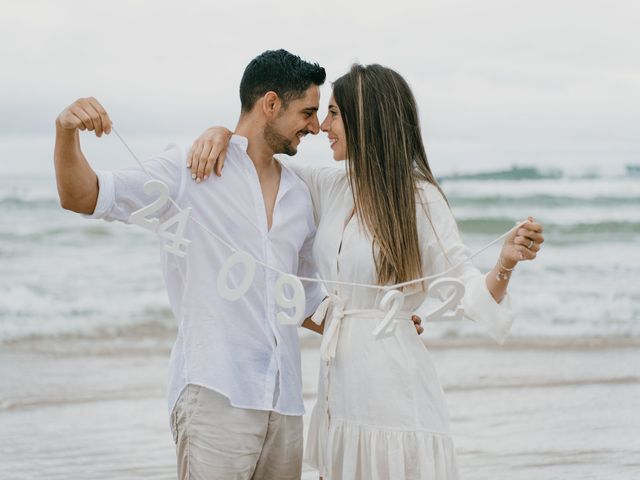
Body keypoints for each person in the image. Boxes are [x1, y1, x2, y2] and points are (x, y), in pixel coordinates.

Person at [188, 63, 545, 479]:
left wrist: (504, 263)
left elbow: (467, 287)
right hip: (338, 391)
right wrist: (221, 133)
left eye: (335, 114)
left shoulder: (420, 198)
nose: (322, 127)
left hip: (395, 393)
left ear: (366, 119)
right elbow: (258, 156)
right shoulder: (330, 186)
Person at [54, 49, 331, 480]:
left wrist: (376, 323)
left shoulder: (299, 195)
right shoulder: (189, 169)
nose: (315, 126)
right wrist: (65, 131)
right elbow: (83, 195)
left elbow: (308, 303)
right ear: (271, 104)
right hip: (215, 392)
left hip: (286, 403)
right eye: (308, 112)